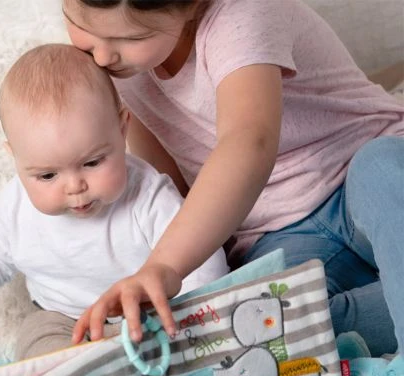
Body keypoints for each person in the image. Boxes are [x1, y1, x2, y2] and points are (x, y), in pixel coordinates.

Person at [64, 0, 404, 357]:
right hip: (276, 234)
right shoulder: (123, 69)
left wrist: (165, 264)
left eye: (132, 38)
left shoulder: (242, 14)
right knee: (259, 328)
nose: (102, 56)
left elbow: (248, 141)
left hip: (360, 183)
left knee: (379, 167)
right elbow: (166, 182)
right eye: (82, 27)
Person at [0, 43, 228, 360]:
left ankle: (125, 369)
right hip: (61, 319)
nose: (75, 186)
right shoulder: (14, 207)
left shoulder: (148, 195)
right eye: (48, 175)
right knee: (36, 342)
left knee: (160, 339)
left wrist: (198, 319)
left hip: (137, 314)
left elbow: (200, 255)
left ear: (121, 129)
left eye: (92, 162)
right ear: (16, 158)